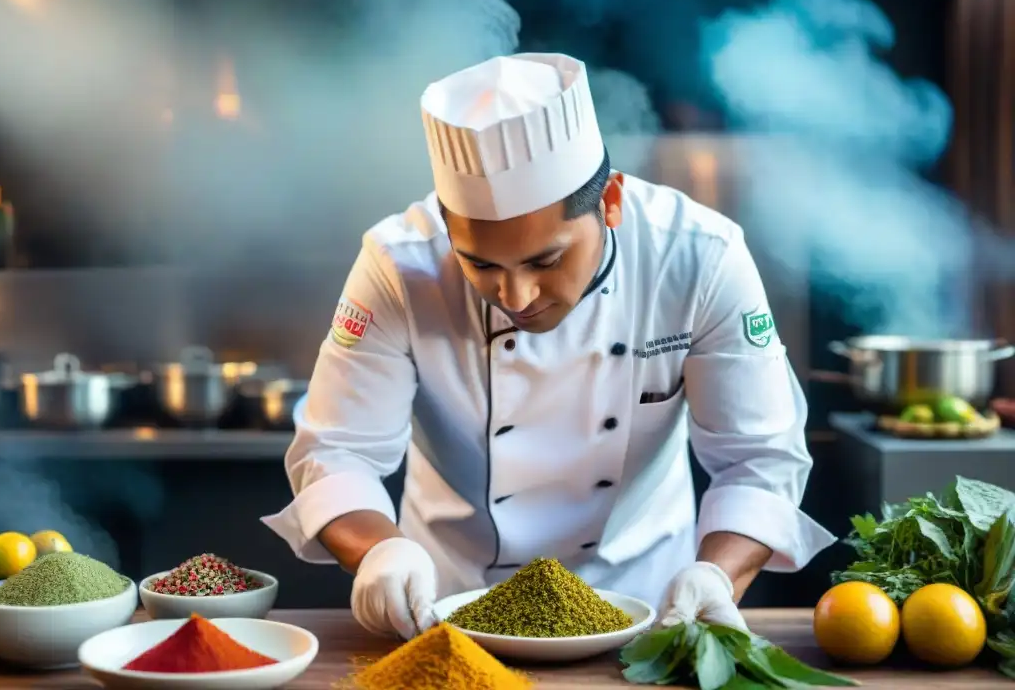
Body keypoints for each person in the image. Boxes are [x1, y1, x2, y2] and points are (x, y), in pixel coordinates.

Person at [262, 52, 836, 640]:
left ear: (610, 201)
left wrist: (716, 575)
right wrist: (381, 552)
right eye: (480, 264)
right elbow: (337, 452)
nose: (515, 294)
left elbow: (758, 459)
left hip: (648, 614)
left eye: (547, 259)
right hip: (447, 610)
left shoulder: (698, 257)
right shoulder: (397, 265)